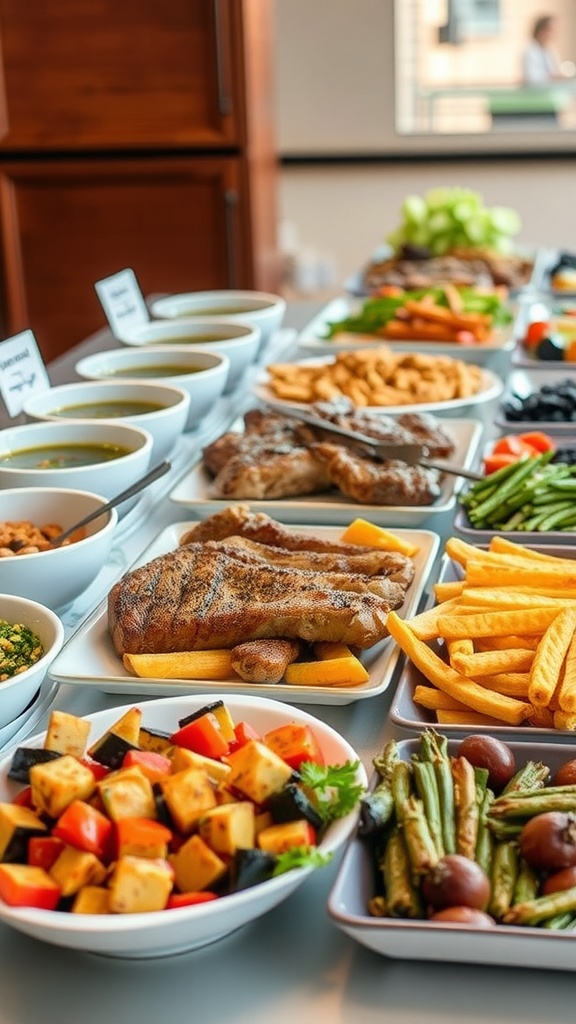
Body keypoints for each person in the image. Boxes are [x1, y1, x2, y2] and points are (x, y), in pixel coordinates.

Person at [522, 15, 566, 85]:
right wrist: (551, 77)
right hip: (536, 92)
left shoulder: (549, 50)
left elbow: (555, 70)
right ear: (542, 30)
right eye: (551, 30)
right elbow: (531, 78)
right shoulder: (529, 51)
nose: (555, 33)